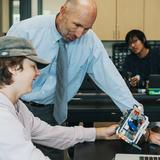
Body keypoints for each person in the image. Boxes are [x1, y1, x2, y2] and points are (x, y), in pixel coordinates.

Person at [6, 0, 160, 158]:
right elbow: (3, 73)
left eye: (86, 28)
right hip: (18, 107)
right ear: (63, 11)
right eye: (77, 25)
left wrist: (144, 130)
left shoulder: (90, 42)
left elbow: (115, 85)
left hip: (53, 113)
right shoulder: (25, 31)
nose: (79, 34)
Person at [0, 36, 119, 160]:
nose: (37, 73)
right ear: (13, 68)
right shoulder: (2, 117)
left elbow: (50, 134)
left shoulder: (17, 106)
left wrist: (100, 133)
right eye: (33, 66)